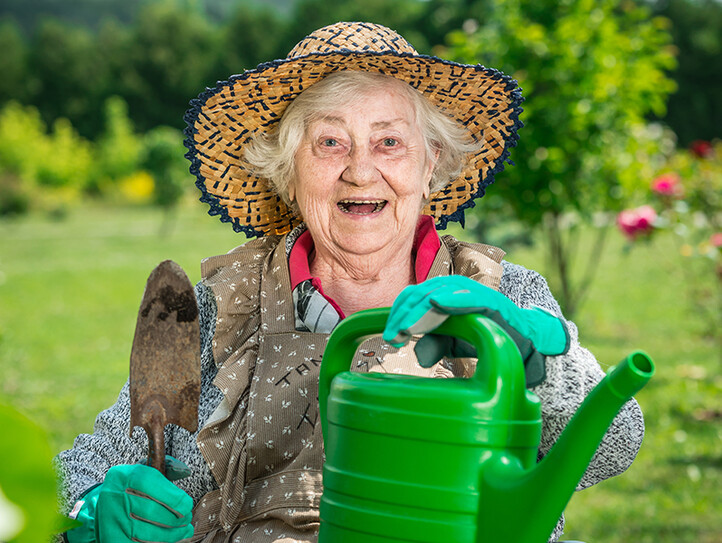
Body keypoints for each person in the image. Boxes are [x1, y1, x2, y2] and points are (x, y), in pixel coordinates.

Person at [55, 21, 645, 543]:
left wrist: (532, 364)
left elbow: (614, 442)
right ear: (289, 170)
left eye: (389, 141)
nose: (360, 170)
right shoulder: (220, 306)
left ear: (430, 162)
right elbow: (87, 470)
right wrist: (98, 510)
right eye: (329, 142)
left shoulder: (498, 291)